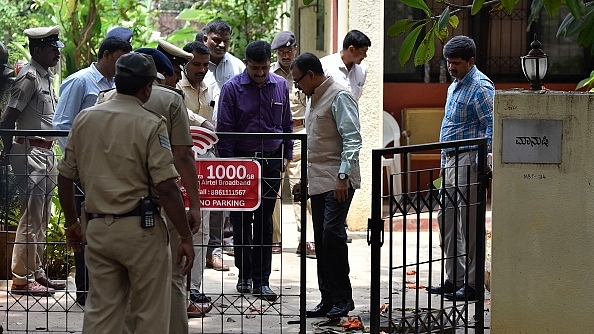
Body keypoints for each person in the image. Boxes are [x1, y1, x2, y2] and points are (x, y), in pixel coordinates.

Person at [57, 52, 195, 333]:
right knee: (150, 314)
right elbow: (167, 187)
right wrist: (184, 235)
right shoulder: (150, 123)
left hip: (96, 228)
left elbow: (65, 176)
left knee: (101, 314)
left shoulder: (85, 118)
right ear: (147, 88)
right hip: (140, 232)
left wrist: (73, 224)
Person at [53, 36, 131, 304]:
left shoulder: (116, 85)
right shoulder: (80, 81)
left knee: (104, 227)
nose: (122, 66)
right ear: (106, 55)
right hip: (82, 171)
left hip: (108, 171)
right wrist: (78, 163)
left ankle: (103, 289)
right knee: (83, 227)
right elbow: (62, 125)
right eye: (120, 59)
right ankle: (85, 291)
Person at [217, 40, 292, 301]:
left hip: (271, 160)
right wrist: (228, 164)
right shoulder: (232, 88)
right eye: (255, 68)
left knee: (264, 221)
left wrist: (287, 155)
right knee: (240, 221)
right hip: (241, 163)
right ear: (246, 64)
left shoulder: (280, 85)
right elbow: (224, 130)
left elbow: (287, 125)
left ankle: (263, 279)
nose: (260, 73)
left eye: (264, 68)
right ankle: (244, 274)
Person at [290, 52, 361, 318]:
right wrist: (303, 179)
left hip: (338, 180)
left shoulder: (339, 95)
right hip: (317, 181)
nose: (296, 86)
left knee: (332, 235)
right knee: (321, 239)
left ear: (310, 75)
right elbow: (315, 143)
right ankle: (328, 299)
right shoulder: (312, 98)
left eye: (298, 81)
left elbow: (352, 140)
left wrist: (343, 177)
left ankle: (343, 298)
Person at [0, 26, 66, 297]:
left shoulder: (45, 77)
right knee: (30, 217)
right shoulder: (27, 77)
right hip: (29, 152)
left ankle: (35, 272)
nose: (57, 52)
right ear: (37, 50)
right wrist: (7, 152)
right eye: (52, 48)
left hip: (45, 152)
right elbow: (7, 120)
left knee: (40, 216)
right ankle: (21, 278)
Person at [427, 35, 494, 301]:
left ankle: (474, 284)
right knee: (447, 222)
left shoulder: (480, 86)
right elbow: (449, 126)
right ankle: (454, 278)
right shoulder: (454, 85)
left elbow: (491, 125)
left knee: (470, 226)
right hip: (452, 161)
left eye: (455, 63)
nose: (451, 67)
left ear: (471, 61)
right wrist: (444, 164)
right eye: (448, 62)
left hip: (470, 160)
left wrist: (482, 164)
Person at [200, 19, 246, 271]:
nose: (221, 44)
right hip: (196, 141)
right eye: (216, 39)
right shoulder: (193, 62)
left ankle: (214, 249)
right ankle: (197, 248)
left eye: (225, 41)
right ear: (206, 37)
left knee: (219, 197)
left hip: (225, 140)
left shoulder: (237, 66)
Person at [269, 30, 315, 257]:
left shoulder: (304, 72)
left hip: (299, 132)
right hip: (276, 134)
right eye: (281, 52)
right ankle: (274, 239)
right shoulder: (269, 74)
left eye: (289, 50)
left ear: (295, 49)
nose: (285, 55)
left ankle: (305, 239)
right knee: (273, 191)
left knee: (301, 189)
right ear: (276, 53)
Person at [320, 30, 371, 101]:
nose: (365, 56)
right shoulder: (325, 65)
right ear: (351, 50)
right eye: (362, 52)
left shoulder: (363, 69)